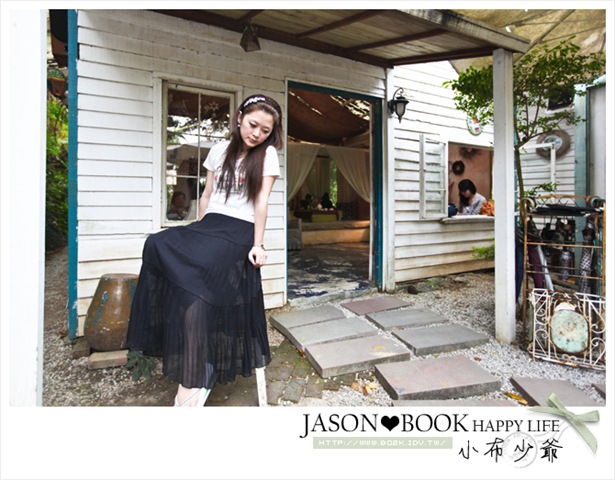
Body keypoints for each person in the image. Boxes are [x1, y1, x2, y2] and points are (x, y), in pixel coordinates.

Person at [127, 94, 283, 407]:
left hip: (240, 230)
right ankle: (198, 362)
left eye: (265, 130)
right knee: (156, 243)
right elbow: (207, 194)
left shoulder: (267, 155)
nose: (257, 133)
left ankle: (196, 376)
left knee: (199, 287)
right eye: (253, 125)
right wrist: (199, 231)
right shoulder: (219, 150)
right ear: (239, 118)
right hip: (211, 224)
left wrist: (258, 244)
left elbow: (262, 201)